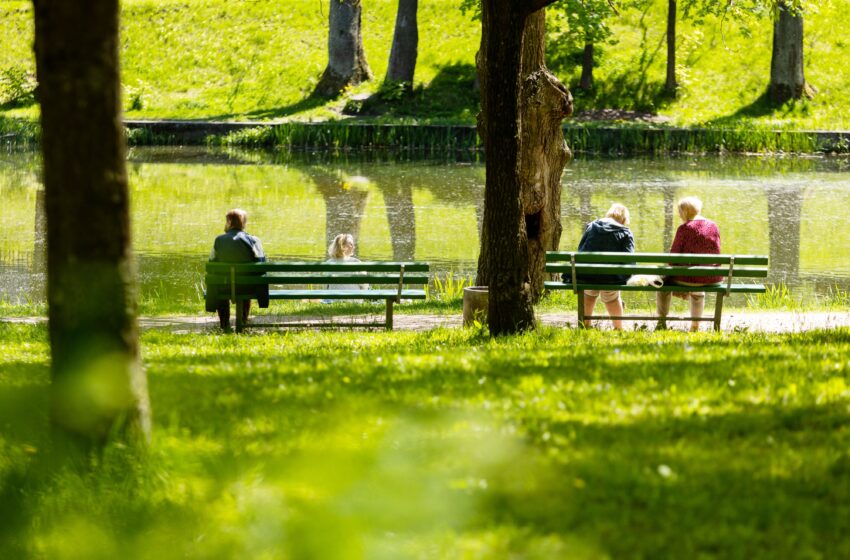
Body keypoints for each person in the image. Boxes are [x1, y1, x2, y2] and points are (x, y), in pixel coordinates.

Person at [656, 196, 722, 332]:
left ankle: (662, 321)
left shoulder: (684, 229)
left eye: (679, 212)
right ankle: (695, 326)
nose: (679, 215)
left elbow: (673, 258)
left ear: (684, 212)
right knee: (698, 288)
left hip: (687, 279)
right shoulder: (713, 226)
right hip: (710, 277)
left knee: (662, 284)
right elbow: (717, 252)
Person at [575, 203, 635, 330]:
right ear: (623, 220)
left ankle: (585, 325)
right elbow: (629, 259)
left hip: (587, 275)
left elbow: (581, 250)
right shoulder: (625, 232)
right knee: (612, 298)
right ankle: (618, 328)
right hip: (610, 278)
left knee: (589, 294)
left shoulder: (591, 226)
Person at [206, 208, 266, 330]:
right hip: (247, 286)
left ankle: (224, 324)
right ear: (244, 223)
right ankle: (243, 321)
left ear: (228, 222)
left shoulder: (219, 240)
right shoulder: (254, 240)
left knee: (219, 283)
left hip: (224, 285)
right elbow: (262, 264)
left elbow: (211, 263)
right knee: (247, 280)